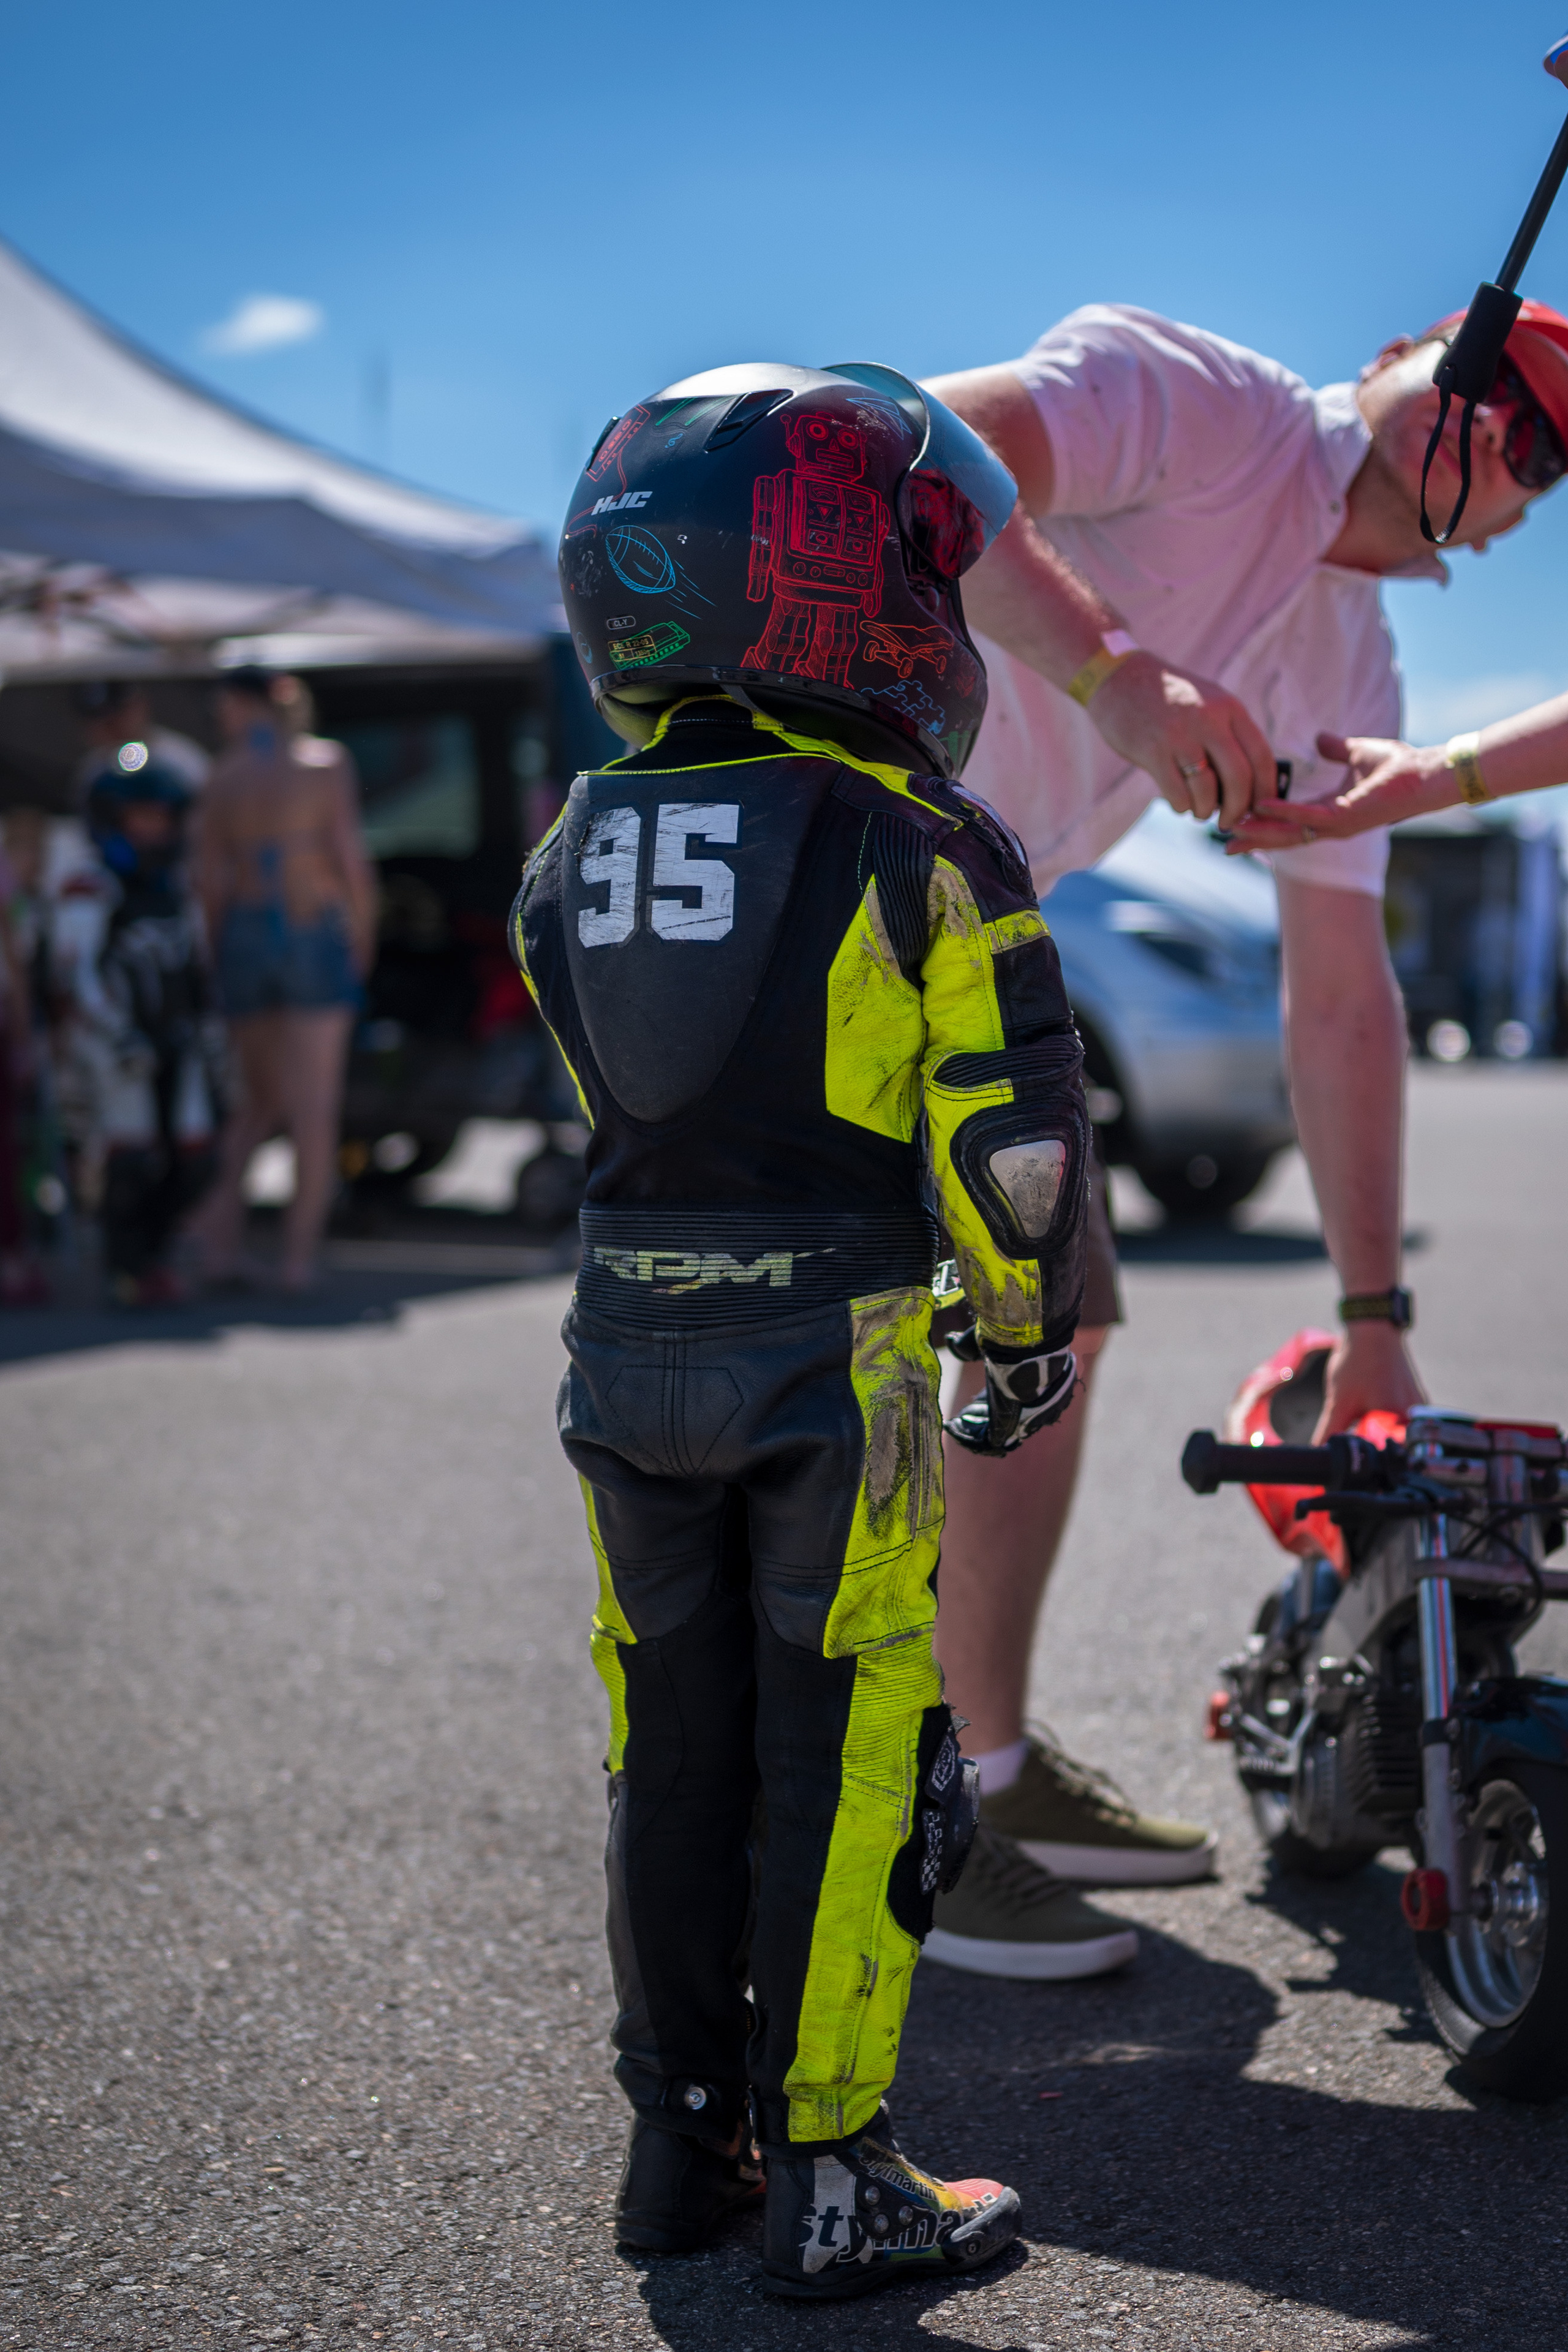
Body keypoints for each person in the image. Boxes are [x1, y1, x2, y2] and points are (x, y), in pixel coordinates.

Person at [518, 361, 1088, 2295]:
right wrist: (1016, 1339)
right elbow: (1002, 1138)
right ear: (822, 576)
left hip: (619, 1355)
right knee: (851, 1749)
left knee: (659, 1744)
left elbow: (607, 1070)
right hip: (831, 1369)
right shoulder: (912, 836)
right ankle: (833, 2161)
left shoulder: (568, 840)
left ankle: (675, 2149)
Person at [914, 294, 1568, 1978]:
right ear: (1393, 370)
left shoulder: (1352, 655)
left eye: (1550, 452)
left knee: (1047, 1313)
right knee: (810, 1349)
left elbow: (1340, 996)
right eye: (1498, 391)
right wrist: (1117, 674)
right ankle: (879, 1816)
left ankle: (975, 1774)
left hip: (966, 926)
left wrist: (1375, 1326)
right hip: (817, 848)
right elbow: (900, 450)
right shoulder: (1202, 402)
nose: (1511, 439)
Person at [191, 669, 375, 1294]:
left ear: (242, 706)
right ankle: (298, 1261)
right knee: (313, 1108)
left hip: (244, 928)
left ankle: (219, 1246)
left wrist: (216, 954)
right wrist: (365, 936)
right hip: (309, 927)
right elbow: (349, 856)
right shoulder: (323, 764)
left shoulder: (223, 775)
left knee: (254, 1103)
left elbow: (209, 880)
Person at [51, 753, 221, 1306]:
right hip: (118, 1049)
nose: (153, 831)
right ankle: (125, 1267)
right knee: (133, 1161)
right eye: (139, 818)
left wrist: (209, 1030)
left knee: (197, 1160)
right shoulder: (89, 886)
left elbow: (196, 962)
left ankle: (158, 1254)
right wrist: (115, 1033)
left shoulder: (176, 885)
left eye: (161, 817)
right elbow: (76, 972)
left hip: (179, 1042)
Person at [73, 681, 211, 802]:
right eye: (99, 718)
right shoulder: (92, 770)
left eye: (117, 715)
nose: (111, 727)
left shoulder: (182, 759)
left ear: (140, 706)